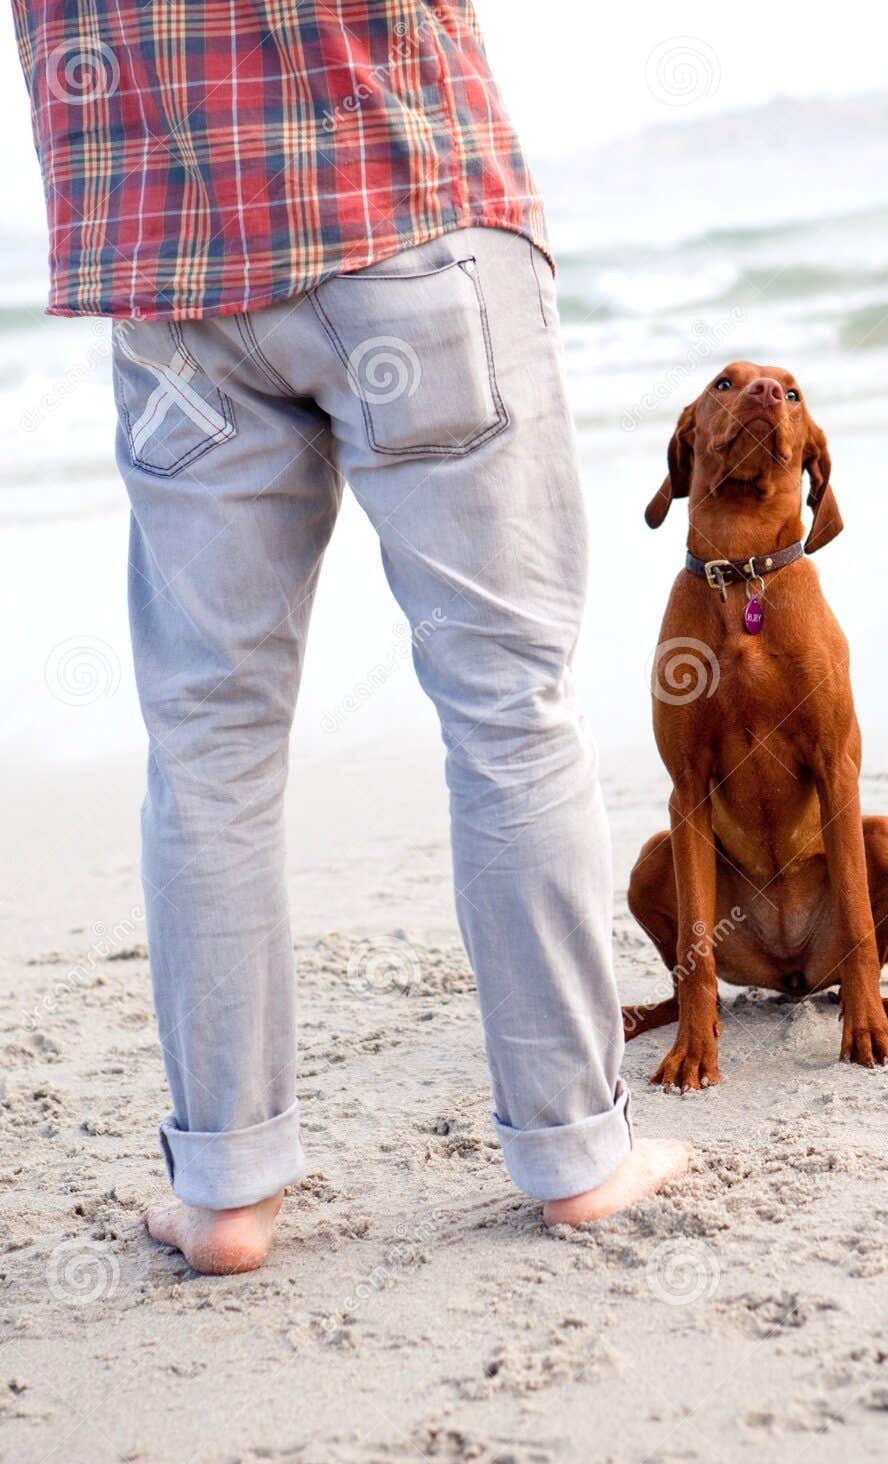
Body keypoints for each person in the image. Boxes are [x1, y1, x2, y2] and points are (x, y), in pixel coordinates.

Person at [12, 0, 690, 1273]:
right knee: (506, 702)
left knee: (209, 736)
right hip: (402, 208)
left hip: (172, 275)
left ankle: (222, 1189)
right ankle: (574, 1157)